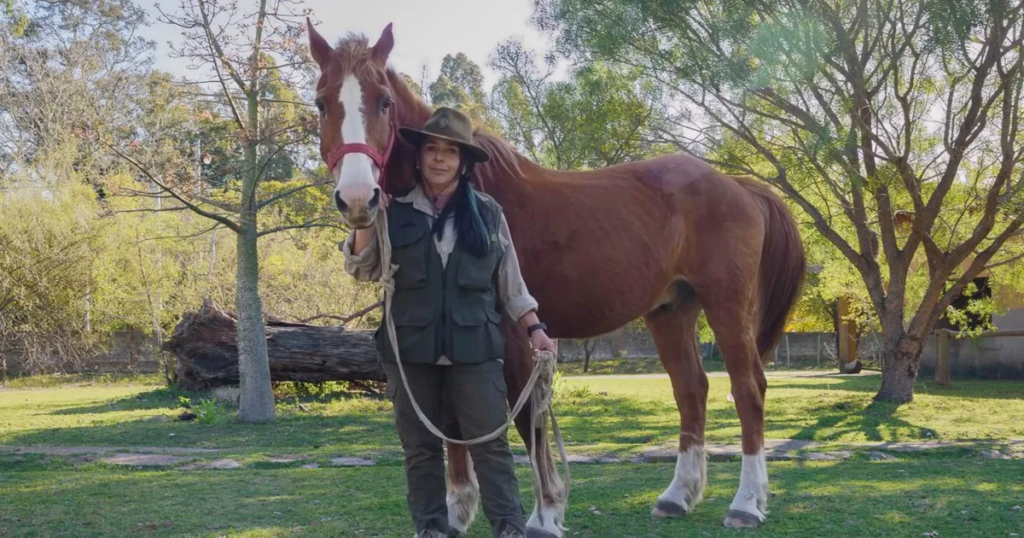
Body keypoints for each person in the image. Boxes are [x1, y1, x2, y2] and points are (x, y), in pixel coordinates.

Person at [342, 107, 556, 538]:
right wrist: (364, 220)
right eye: (432, 150)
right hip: (410, 351)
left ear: (463, 162)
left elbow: (510, 282)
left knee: (490, 445)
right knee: (420, 450)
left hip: (474, 349)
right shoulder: (393, 211)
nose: (440, 159)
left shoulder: (489, 213)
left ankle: (509, 528)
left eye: (450, 152)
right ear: (419, 157)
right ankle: (431, 530)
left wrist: (535, 328)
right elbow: (362, 268)